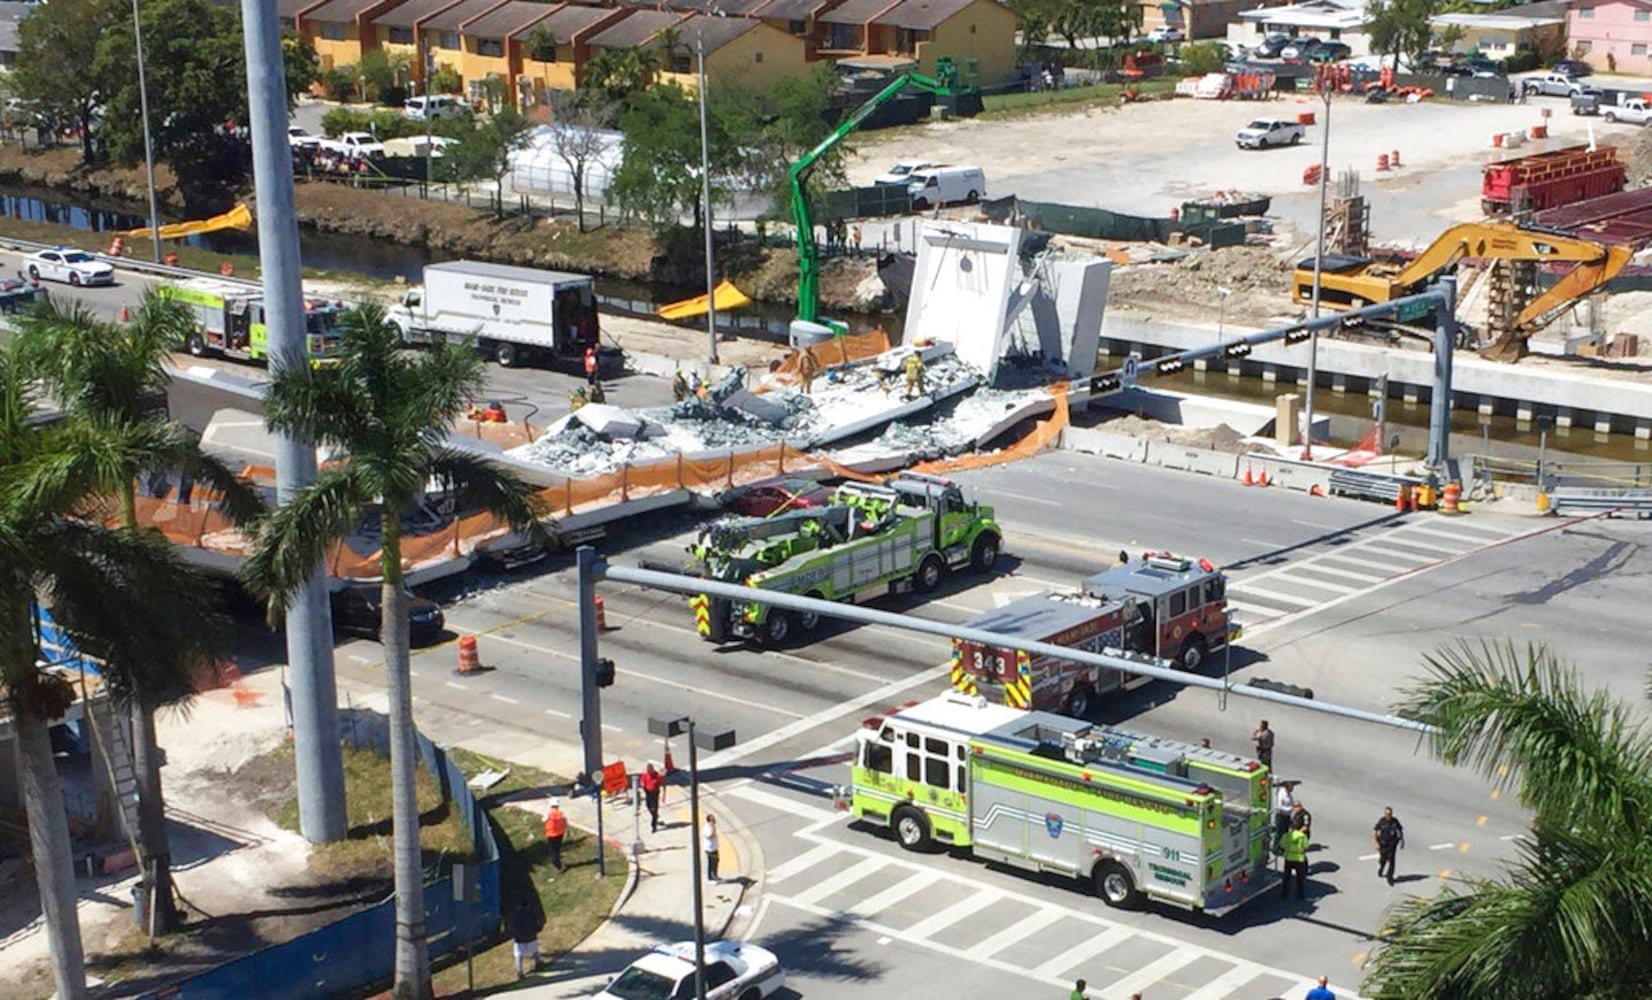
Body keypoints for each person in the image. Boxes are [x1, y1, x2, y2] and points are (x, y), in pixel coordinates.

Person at [1373, 806, 1405, 884]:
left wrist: (1402, 841)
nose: (1389, 815)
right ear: (1385, 814)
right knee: (1383, 860)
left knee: (1392, 861)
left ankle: (1390, 878)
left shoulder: (1395, 821)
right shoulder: (1382, 821)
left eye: (1390, 814)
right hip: (1383, 844)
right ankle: (1381, 868)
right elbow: (1376, 832)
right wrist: (1376, 843)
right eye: (1387, 814)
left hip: (1392, 844)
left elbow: (1400, 830)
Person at [510, 901, 541, 978]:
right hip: (531, 936)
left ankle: (519, 972)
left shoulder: (514, 915)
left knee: (519, 955)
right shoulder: (530, 913)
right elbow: (536, 924)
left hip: (519, 939)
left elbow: (511, 927)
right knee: (535, 951)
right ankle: (537, 964)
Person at [1280, 820, 1309, 899]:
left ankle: (1284, 894)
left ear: (1291, 827)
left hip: (1289, 858)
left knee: (1286, 877)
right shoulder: (1302, 836)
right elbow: (1306, 846)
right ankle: (1300, 895)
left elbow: (1282, 844)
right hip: (1299, 859)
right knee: (1300, 878)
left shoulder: (1287, 835)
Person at [543, 798, 567, 871]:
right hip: (560, 834)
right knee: (557, 848)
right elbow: (564, 821)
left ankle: (557, 864)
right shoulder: (561, 813)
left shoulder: (548, 814)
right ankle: (558, 860)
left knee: (553, 850)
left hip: (551, 835)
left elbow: (543, 820)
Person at [641, 762, 664, 833]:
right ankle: (655, 816)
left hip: (655, 794)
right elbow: (642, 782)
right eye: (648, 770)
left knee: (654, 808)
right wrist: (642, 785)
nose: (649, 772)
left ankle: (654, 826)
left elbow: (661, 782)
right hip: (648, 793)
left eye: (650, 770)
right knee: (648, 806)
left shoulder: (657, 775)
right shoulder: (645, 775)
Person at [704, 813, 720, 881]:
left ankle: (715, 876)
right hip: (710, 849)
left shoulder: (712, 826)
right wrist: (713, 831)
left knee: (716, 861)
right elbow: (708, 836)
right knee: (711, 864)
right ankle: (710, 878)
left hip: (714, 848)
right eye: (712, 820)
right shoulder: (707, 827)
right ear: (709, 821)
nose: (714, 821)